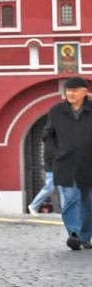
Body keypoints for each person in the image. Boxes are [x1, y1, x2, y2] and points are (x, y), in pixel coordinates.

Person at [42, 77, 92, 250]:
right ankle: (74, 234)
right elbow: (48, 134)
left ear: (84, 92)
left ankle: (85, 236)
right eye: (68, 90)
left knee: (89, 201)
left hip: (89, 164)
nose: (71, 93)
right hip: (66, 163)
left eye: (75, 90)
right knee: (71, 198)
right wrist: (54, 154)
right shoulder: (56, 111)